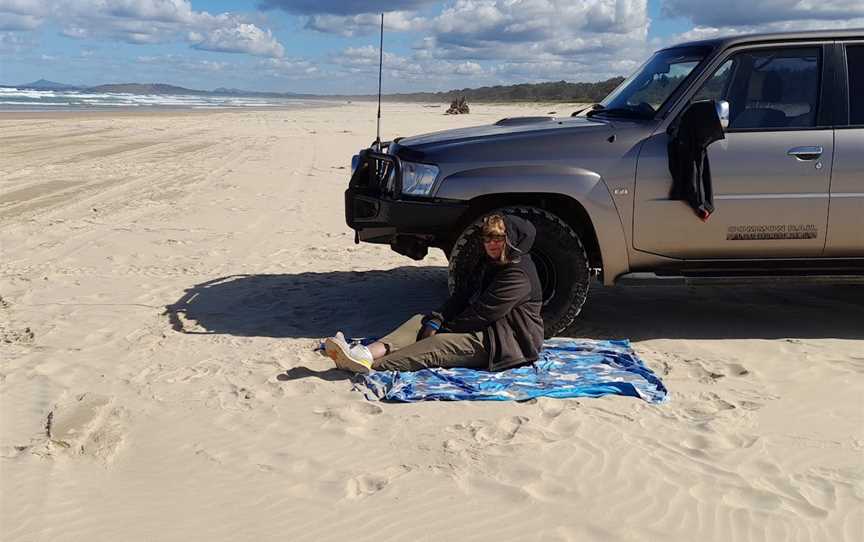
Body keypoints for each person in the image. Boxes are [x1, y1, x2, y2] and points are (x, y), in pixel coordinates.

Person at [324, 213, 544, 373]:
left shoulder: (518, 274)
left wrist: (443, 330)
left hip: (503, 341)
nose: (491, 245)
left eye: (498, 239)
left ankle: (374, 366)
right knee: (420, 322)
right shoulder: (489, 262)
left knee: (435, 345)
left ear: (511, 240)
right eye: (487, 239)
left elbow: (484, 313)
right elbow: (462, 296)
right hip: (483, 328)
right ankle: (364, 354)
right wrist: (436, 321)